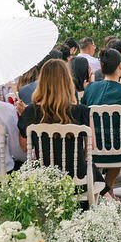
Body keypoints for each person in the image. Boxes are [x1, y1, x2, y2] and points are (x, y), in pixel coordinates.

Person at [18, 59, 105, 193]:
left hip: (44, 181)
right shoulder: (82, 111)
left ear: (41, 82)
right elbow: (91, 146)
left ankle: (109, 196)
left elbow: (25, 147)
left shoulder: (30, 112)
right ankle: (109, 198)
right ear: (68, 82)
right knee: (90, 167)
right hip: (78, 180)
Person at [82, 48, 121, 191]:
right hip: (117, 149)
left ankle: (107, 189)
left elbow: (83, 116)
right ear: (120, 67)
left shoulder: (90, 89)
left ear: (102, 67)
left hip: (92, 149)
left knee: (120, 143)